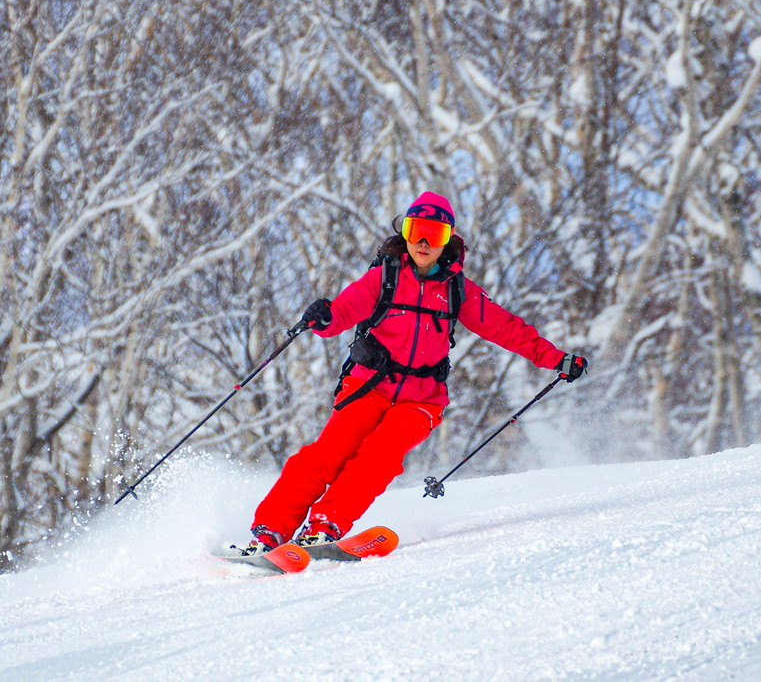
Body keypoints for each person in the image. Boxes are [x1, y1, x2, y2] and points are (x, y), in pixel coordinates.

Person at [240, 191, 588, 553]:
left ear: (447, 240)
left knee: (379, 457)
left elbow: (505, 327)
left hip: (421, 398)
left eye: (434, 234)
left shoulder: (457, 290)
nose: (423, 242)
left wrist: (555, 358)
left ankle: (325, 526)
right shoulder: (383, 278)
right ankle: (271, 530)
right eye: (415, 230)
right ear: (404, 232)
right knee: (327, 454)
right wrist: (325, 317)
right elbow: (344, 310)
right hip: (368, 385)